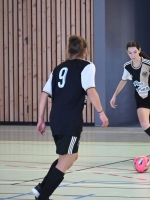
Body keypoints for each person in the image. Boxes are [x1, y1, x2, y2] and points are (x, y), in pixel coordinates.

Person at [32, 35, 109, 200]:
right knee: (66, 161)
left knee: (70, 156)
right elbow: (90, 90)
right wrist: (101, 112)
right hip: (70, 119)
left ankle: (41, 188)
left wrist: (40, 118)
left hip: (56, 118)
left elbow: (44, 93)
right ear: (84, 50)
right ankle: (43, 196)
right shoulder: (87, 66)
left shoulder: (58, 68)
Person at [110, 41, 150, 160]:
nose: (133, 55)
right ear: (127, 53)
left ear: (139, 50)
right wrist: (114, 95)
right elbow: (123, 80)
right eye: (130, 53)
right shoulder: (127, 66)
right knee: (145, 124)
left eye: (135, 52)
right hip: (141, 97)